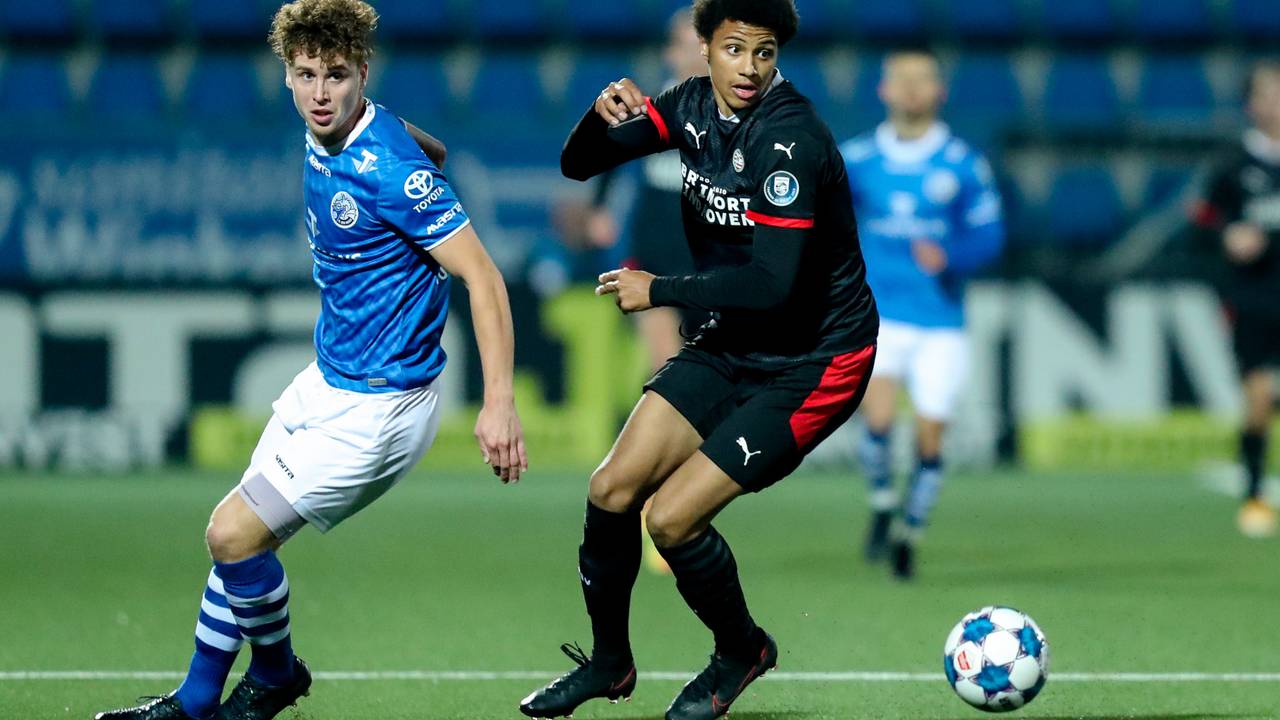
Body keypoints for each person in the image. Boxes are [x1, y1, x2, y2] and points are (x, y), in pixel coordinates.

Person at [94, 2, 527, 719]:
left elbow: (483, 277)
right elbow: (437, 151)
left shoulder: (387, 168)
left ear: (364, 72)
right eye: (305, 75)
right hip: (326, 381)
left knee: (232, 533)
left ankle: (276, 675)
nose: (320, 92)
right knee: (237, 544)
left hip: (381, 407)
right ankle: (196, 704)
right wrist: (419, 159)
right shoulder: (331, 129)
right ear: (287, 76)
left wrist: (499, 402)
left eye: (335, 75)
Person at [519, 2, 879, 719]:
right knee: (612, 488)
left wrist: (660, 290)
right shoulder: (688, 106)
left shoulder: (791, 140)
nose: (749, 67)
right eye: (735, 49)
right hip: (734, 340)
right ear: (704, 49)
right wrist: (599, 115)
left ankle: (742, 650)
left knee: (673, 519)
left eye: (765, 52)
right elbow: (577, 163)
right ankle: (610, 664)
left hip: (815, 361)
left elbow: (773, 284)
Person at [839, 48, 1004, 580]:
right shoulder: (857, 159)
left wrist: (952, 256)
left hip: (940, 321)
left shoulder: (962, 162)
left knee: (930, 438)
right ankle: (885, 503)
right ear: (884, 91)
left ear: (940, 92)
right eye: (901, 80)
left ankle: (910, 530)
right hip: (877, 313)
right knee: (879, 419)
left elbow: (991, 235)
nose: (912, 89)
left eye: (922, 80)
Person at [1192, 58, 1280, 539]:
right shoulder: (1234, 165)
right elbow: (1202, 222)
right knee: (1257, 399)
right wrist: (1229, 234)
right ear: (1252, 104)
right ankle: (1254, 494)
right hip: (1255, 296)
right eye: (1269, 93)